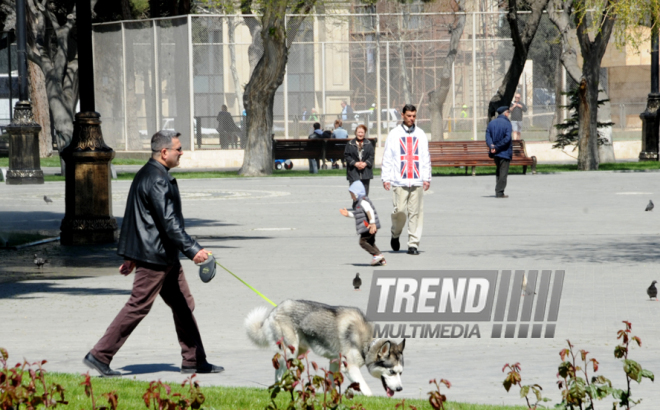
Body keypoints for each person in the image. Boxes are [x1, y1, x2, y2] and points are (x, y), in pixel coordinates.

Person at [83, 130, 223, 377]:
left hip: (161, 255)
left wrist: (130, 255)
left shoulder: (148, 174)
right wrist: (194, 251)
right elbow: (169, 223)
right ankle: (99, 355)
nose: (182, 152)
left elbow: (136, 219)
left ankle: (194, 360)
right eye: (178, 149)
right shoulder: (157, 179)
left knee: (183, 303)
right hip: (155, 258)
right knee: (138, 305)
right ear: (164, 152)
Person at [381, 104, 431, 256]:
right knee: (400, 212)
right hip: (399, 181)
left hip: (416, 181)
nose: (411, 119)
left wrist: (427, 177)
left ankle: (413, 244)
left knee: (415, 213)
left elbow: (425, 157)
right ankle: (395, 234)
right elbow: (388, 157)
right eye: (409, 116)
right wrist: (386, 178)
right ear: (402, 115)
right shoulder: (394, 134)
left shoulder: (421, 134)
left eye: (414, 116)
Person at [339, 181, 386, 266]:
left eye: (352, 195)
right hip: (369, 226)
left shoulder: (363, 201)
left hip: (368, 226)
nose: (351, 197)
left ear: (357, 193)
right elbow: (358, 214)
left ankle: (377, 255)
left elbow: (370, 211)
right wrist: (348, 214)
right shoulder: (359, 203)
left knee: (362, 242)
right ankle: (381, 259)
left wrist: (372, 223)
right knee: (370, 243)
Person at [486, 106, 513, 198]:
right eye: (508, 112)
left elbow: (488, 137)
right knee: (503, 173)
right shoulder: (507, 124)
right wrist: (497, 147)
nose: (509, 114)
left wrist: (492, 146)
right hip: (504, 151)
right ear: (505, 113)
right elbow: (507, 138)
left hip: (495, 152)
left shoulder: (491, 123)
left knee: (499, 171)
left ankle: (499, 190)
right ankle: (499, 192)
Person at [344, 124, 374, 195]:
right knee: (355, 195)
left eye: (362, 132)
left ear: (364, 133)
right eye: (359, 132)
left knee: (364, 195)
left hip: (365, 172)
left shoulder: (369, 144)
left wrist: (365, 163)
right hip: (353, 172)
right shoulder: (350, 144)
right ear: (355, 133)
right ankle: (356, 206)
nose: (360, 134)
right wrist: (355, 163)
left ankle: (363, 206)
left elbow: (371, 156)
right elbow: (346, 155)